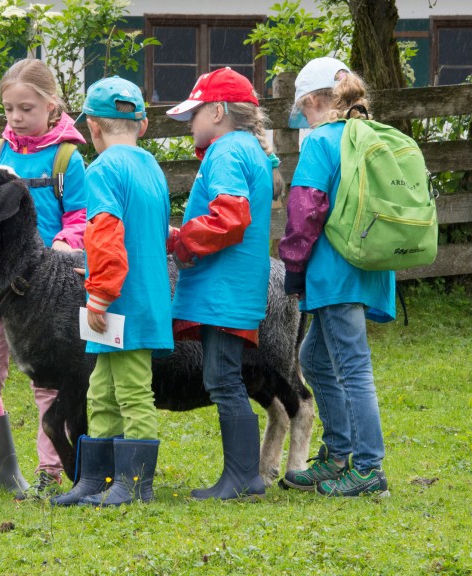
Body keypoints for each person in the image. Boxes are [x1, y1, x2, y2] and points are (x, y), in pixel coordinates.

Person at [0, 59, 88, 502]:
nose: (15, 118)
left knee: (47, 383)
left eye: (25, 108)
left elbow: (81, 215)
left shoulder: (67, 158)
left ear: (52, 106)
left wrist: (67, 242)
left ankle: (51, 470)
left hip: (48, 296)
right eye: (9, 109)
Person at [51, 77, 173, 507]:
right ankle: (93, 479)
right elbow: (158, 232)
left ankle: (135, 484)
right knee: (100, 389)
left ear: (93, 129)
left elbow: (103, 234)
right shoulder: (151, 166)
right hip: (144, 298)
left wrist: (99, 295)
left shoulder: (103, 169)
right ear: (140, 125)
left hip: (122, 303)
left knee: (134, 391)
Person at [278, 56, 393, 497]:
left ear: (312, 101)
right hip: (369, 264)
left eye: (302, 112)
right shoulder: (368, 136)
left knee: (352, 366)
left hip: (335, 270)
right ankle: (339, 455)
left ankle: (368, 468)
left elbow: (305, 209)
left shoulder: (323, 141)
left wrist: (292, 264)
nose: (303, 122)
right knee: (316, 359)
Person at [164, 67, 277, 501]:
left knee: (223, 379)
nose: (190, 123)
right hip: (234, 286)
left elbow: (230, 216)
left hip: (223, 287)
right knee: (224, 377)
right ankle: (242, 475)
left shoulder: (228, 151)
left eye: (194, 114)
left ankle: (242, 478)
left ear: (218, 111)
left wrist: (182, 240)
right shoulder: (248, 148)